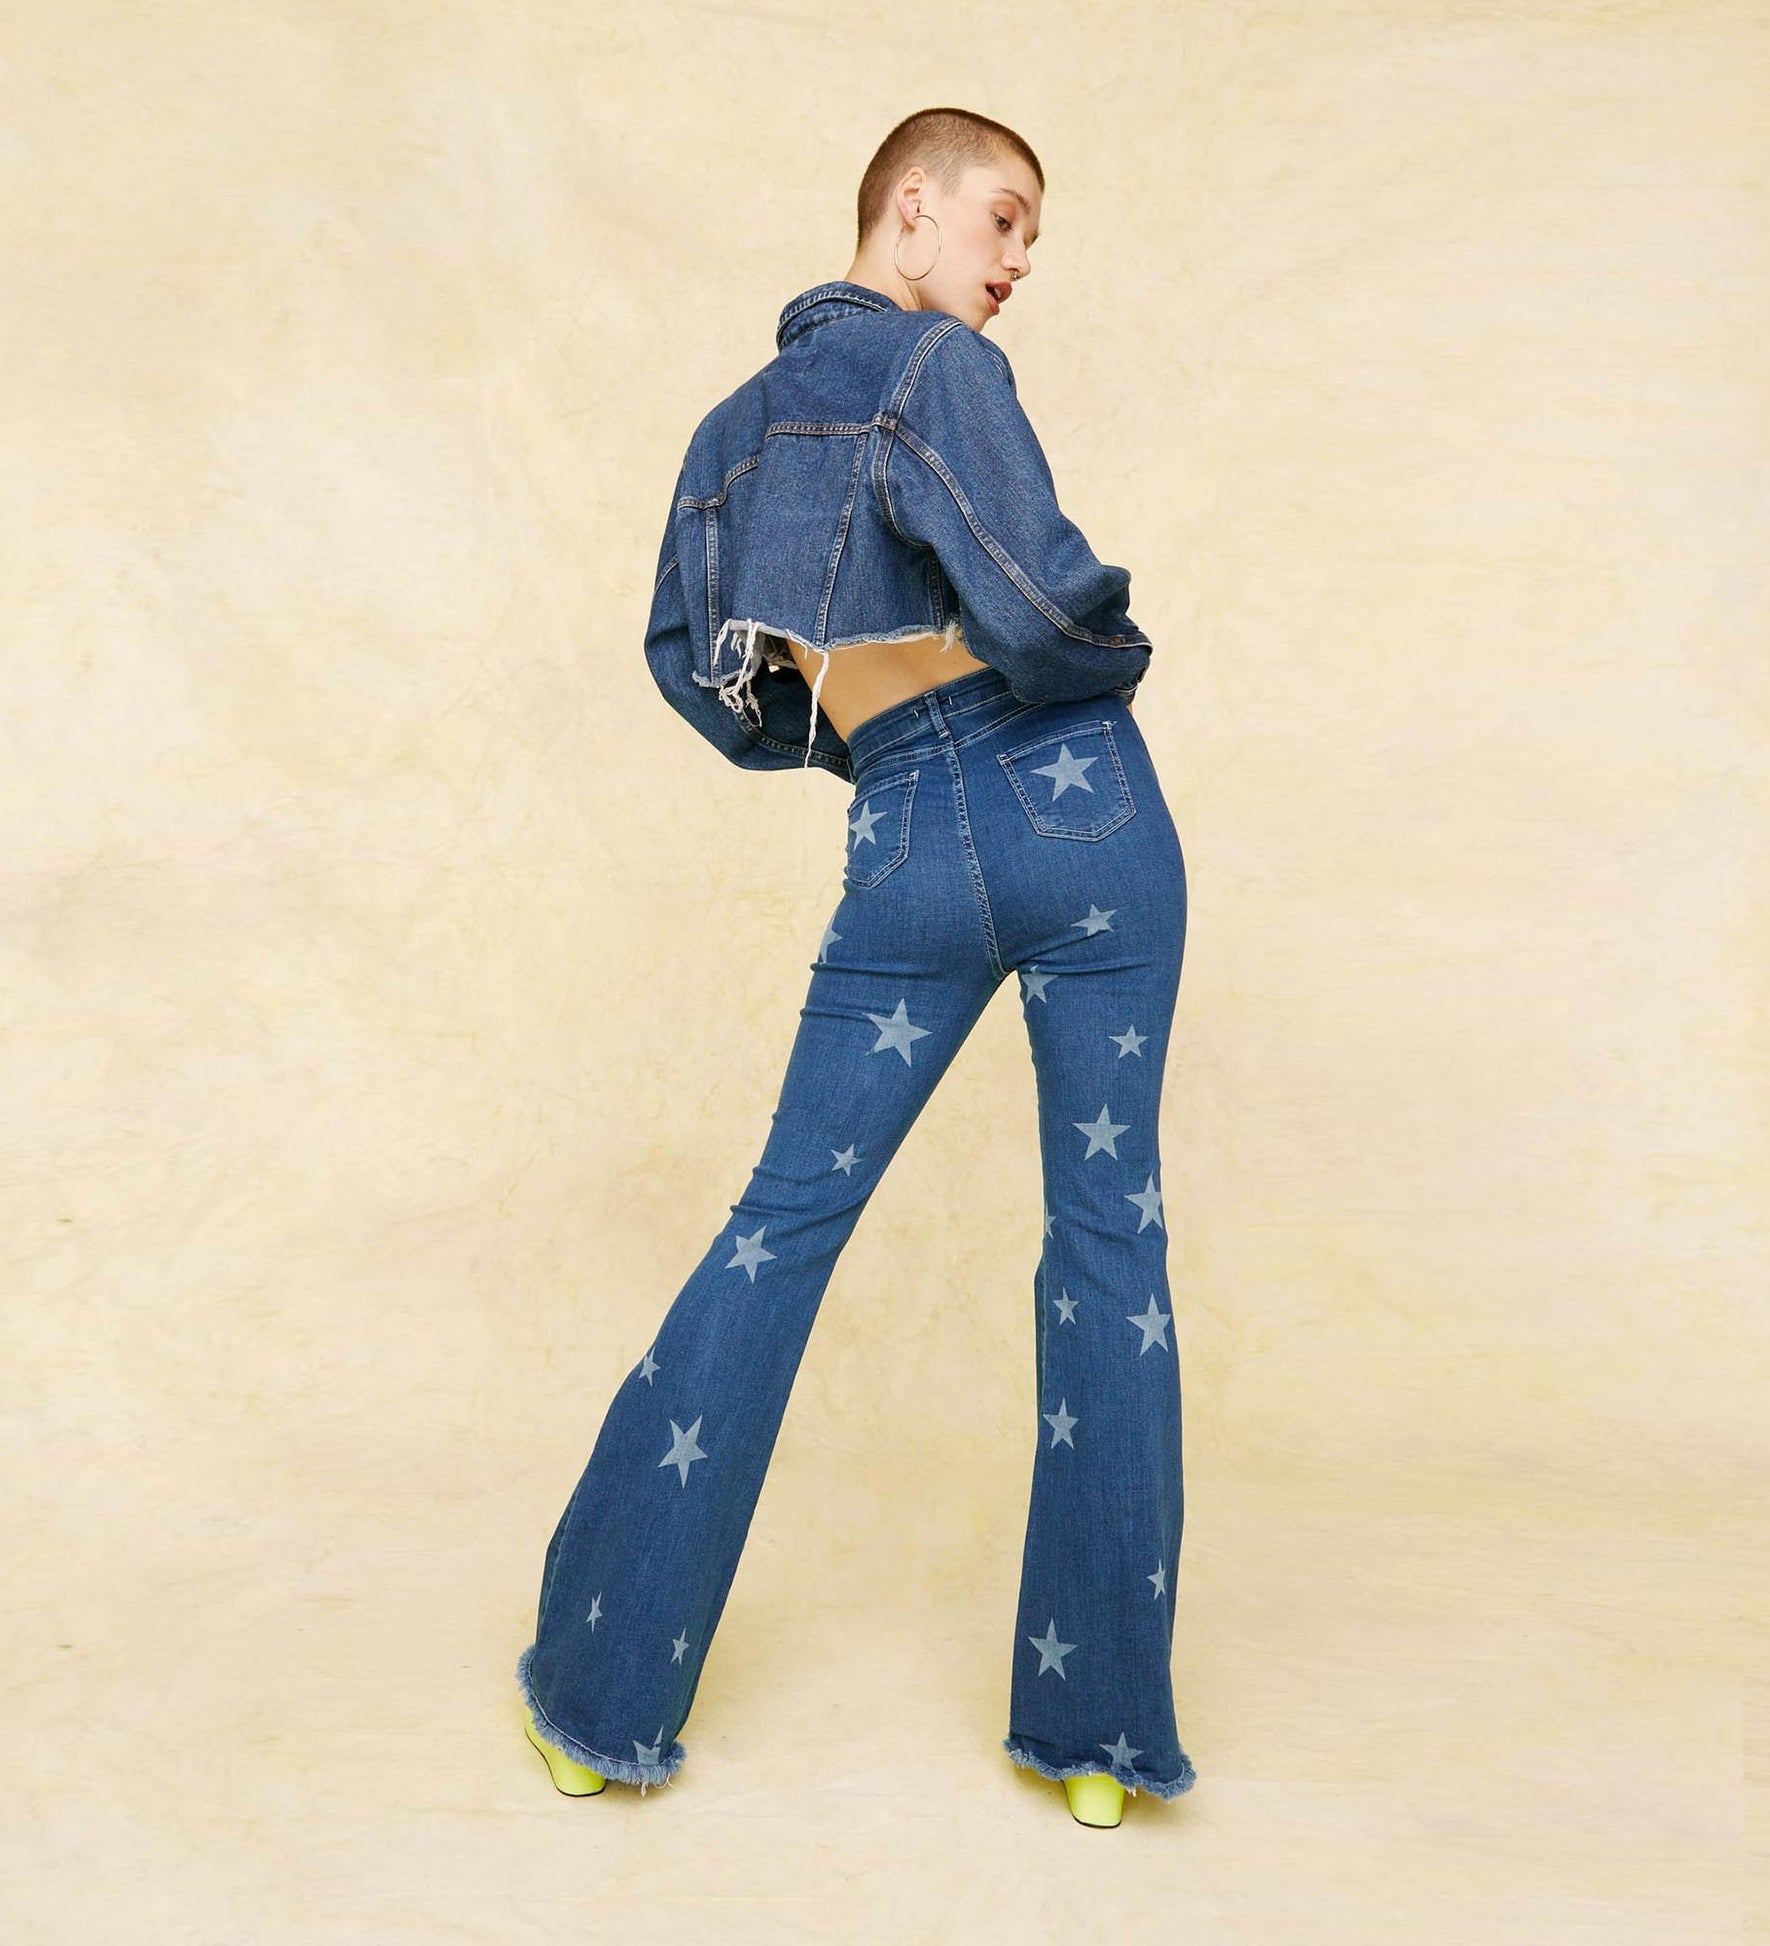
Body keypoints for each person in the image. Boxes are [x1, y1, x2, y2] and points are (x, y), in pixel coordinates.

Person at [517, 107, 1196, 1829]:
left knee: (779, 1223)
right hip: (1081, 809)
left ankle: (598, 1695)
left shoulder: (725, 437)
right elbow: (1038, 605)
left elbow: (691, 668)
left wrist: (869, 748)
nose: (1016, 262)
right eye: (1002, 218)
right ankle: (1097, 1739)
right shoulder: (936, 366)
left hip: (903, 834)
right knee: (1106, 1245)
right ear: (909, 206)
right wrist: (1115, 652)